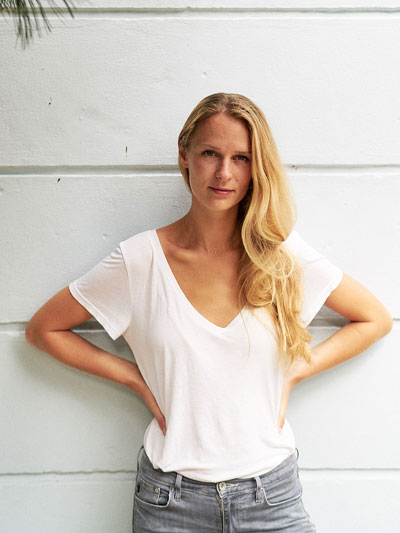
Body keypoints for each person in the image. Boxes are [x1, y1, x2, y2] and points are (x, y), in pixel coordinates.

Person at [25, 92, 393, 532]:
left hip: (271, 497)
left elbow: (374, 318)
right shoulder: (140, 260)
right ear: (184, 155)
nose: (224, 173)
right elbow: (45, 329)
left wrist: (295, 371)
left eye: (241, 158)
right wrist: (134, 377)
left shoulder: (279, 255)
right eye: (210, 154)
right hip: (170, 503)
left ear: (256, 168)